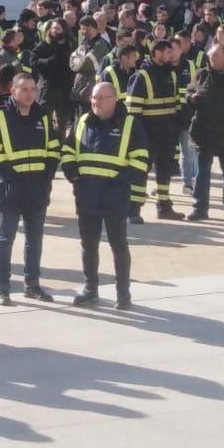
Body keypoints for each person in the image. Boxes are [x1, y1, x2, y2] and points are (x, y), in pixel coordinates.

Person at [61, 81, 148, 310]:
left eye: (101, 98)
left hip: (114, 196)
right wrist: (74, 176)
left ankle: (123, 293)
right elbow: (68, 151)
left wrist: (119, 183)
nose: (96, 102)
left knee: (118, 244)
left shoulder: (130, 125)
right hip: (87, 194)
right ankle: (91, 289)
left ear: (114, 100)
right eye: (93, 98)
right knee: (88, 244)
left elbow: (140, 160)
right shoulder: (82, 122)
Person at [0, 73, 59, 304]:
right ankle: (2, 287)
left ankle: (32, 285)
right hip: (10, 191)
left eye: (33, 88)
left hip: (37, 191)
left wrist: (45, 180)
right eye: (24, 89)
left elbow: (54, 152)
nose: (29, 93)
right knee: (6, 238)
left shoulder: (43, 117)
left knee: (34, 239)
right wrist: (13, 181)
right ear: (12, 91)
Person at [124, 38, 186, 221]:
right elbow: (133, 113)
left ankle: (164, 207)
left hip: (167, 134)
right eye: (168, 52)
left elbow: (176, 105)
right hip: (146, 135)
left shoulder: (171, 75)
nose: (172, 55)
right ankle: (133, 210)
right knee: (140, 172)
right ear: (157, 53)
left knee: (165, 170)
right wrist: (137, 138)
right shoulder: (141, 77)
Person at [186, 43, 224, 222]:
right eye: (211, 56)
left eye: (216, 56)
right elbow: (188, 93)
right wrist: (191, 97)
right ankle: (199, 208)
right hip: (203, 133)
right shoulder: (201, 74)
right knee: (202, 173)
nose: (212, 59)